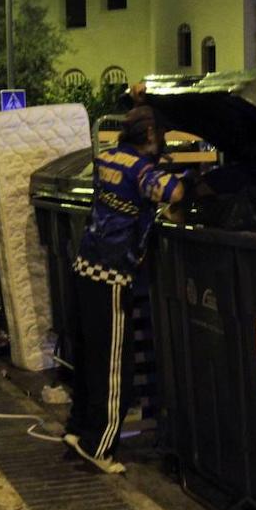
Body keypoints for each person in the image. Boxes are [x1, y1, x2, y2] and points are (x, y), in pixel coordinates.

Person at [63, 99, 195, 474]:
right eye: (161, 134)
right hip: (112, 274)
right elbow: (173, 194)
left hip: (84, 265)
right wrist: (186, 179)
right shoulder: (140, 169)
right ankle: (100, 446)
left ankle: (78, 429)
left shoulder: (106, 158)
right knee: (113, 365)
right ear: (150, 134)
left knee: (89, 357)